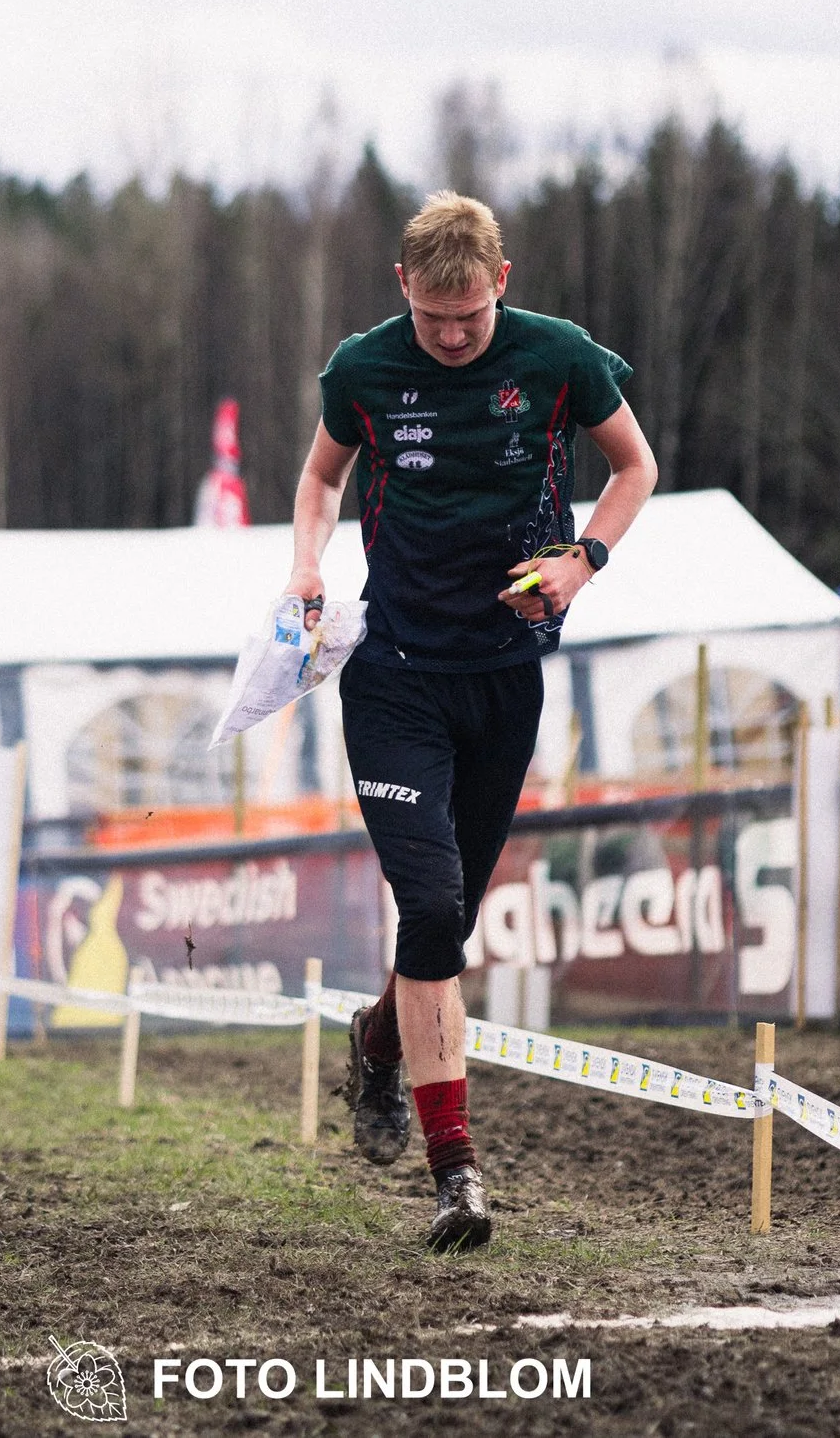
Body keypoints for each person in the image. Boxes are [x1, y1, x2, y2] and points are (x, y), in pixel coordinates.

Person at [287, 191, 657, 1252]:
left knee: (443, 927)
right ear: (403, 286)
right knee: (433, 900)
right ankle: (458, 1174)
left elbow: (635, 465)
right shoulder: (362, 367)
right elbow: (320, 478)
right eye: (433, 319)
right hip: (394, 679)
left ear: (502, 281)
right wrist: (306, 564)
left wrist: (583, 560)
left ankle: (377, 1042)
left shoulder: (559, 356)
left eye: (470, 318)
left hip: (504, 678)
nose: (451, 338)